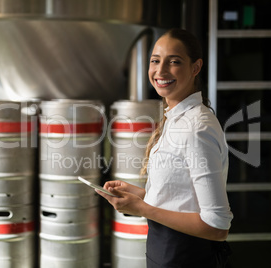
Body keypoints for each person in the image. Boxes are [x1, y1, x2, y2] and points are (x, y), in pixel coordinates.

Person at [96, 28, 233, 267]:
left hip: (187, 257)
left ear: (195, 68)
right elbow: (182, 197)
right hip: (165, 253)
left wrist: (142, 208)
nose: (161, 71)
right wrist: (138, 194)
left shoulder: (196, 128)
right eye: (155, 61)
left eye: (174, 62)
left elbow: (216, 226)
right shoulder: (175, 118)